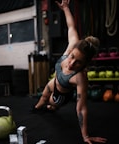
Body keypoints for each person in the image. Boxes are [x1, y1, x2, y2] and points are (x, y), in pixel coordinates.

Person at [33, 0, 107, 143]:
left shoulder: (80, 77)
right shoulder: (72, 46)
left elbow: (81, 108)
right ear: (72, 50)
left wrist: (85, 136)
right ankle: (37, 108)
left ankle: (51, 107)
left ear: (85, 64)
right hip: (54, 82)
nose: (71, 63)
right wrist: (66, 8)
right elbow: (71, 27)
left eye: (78, 62)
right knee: (41, 100)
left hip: (61, 95)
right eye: (72, 56)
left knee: (49, 104)